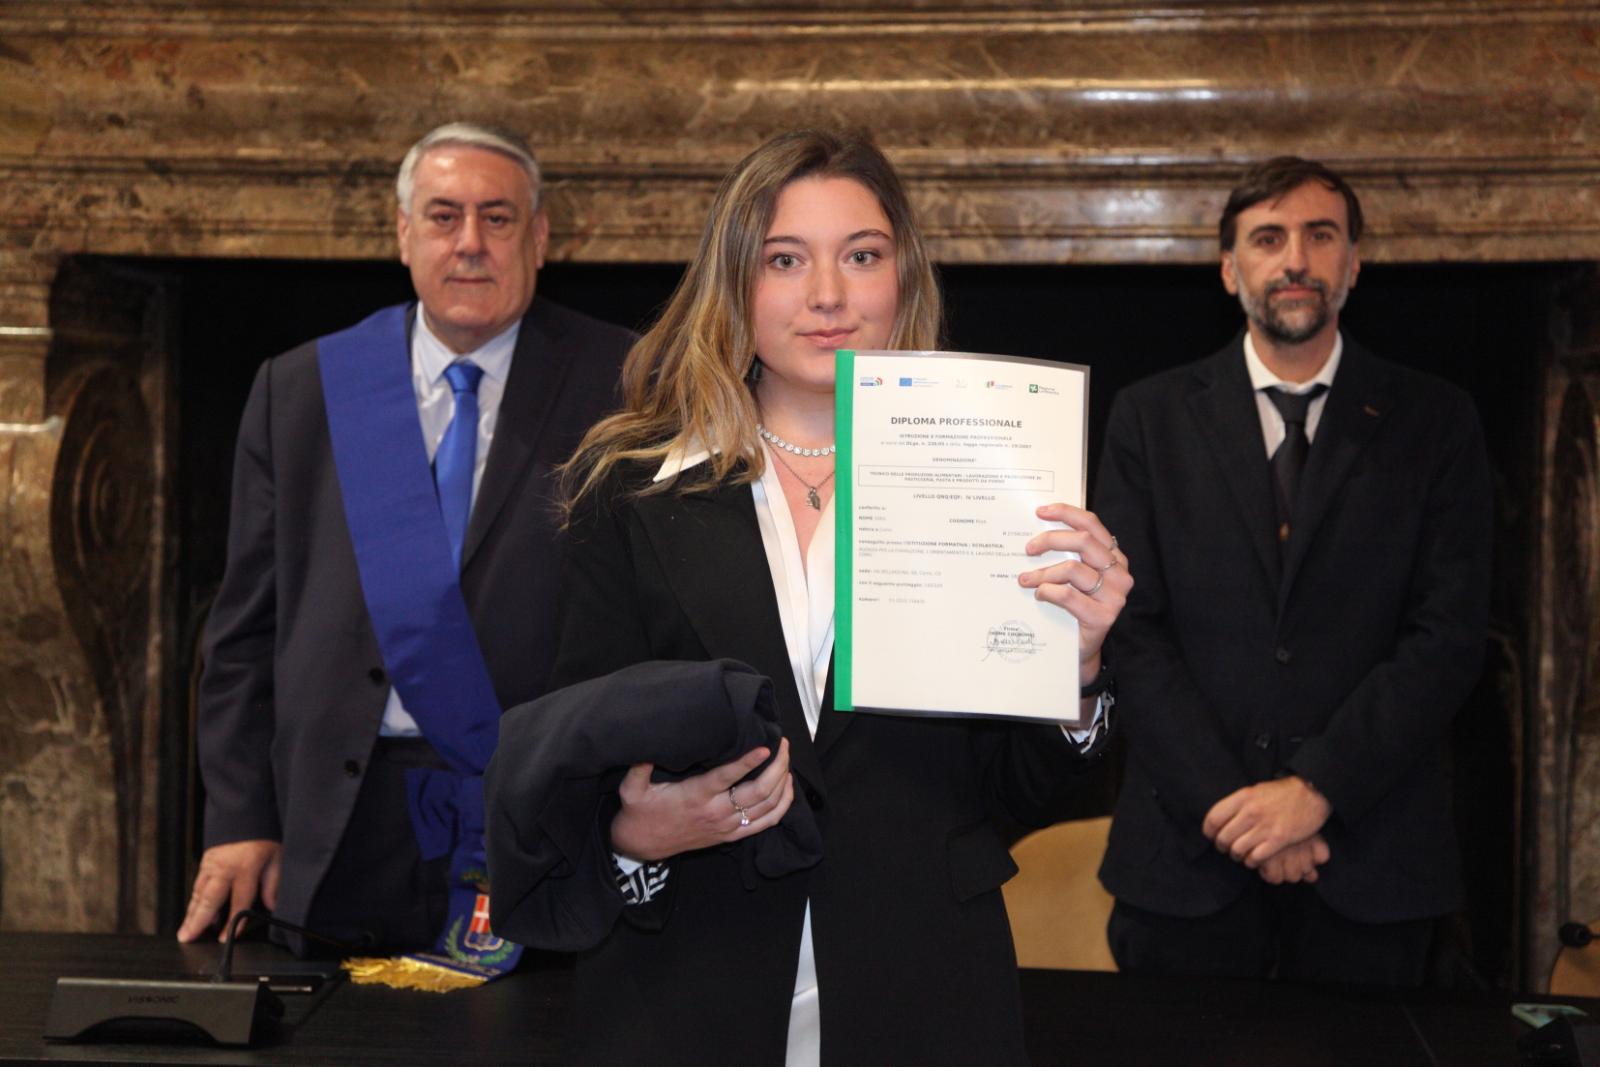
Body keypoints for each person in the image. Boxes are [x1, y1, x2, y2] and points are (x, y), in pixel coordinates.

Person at [486, 129, 1131, 1064]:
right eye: (785, 259)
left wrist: (1076, 671)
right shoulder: (626, 488)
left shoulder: (999, 482)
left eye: (860, 256)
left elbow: (1014, 788)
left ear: (902, 277)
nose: (828, 294)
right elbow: (577, 749)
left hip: (924, 987)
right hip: (686, 986)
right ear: (734, 281)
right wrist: (634, 835)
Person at [176, 122, 634, 956]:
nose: (470, 242)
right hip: (338, 819)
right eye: (443, 216)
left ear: (540, 238)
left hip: (534, 818)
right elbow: (242, 634)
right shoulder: (303, 388)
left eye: (498, 218)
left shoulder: (626, 383)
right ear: (402, 234)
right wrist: (241, 817)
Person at [1093, 156, 1492, 985]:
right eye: (1268, 239)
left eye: (1321, 236)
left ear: (1355, 262)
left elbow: (1447, 636)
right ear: (1229, 267)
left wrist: (1316, 791)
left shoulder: (1438, 420)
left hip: (1374, 861)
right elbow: (1130, 630)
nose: (1296, 260)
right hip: (1187, 862)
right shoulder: (1148, 417)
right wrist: (1234, 810)